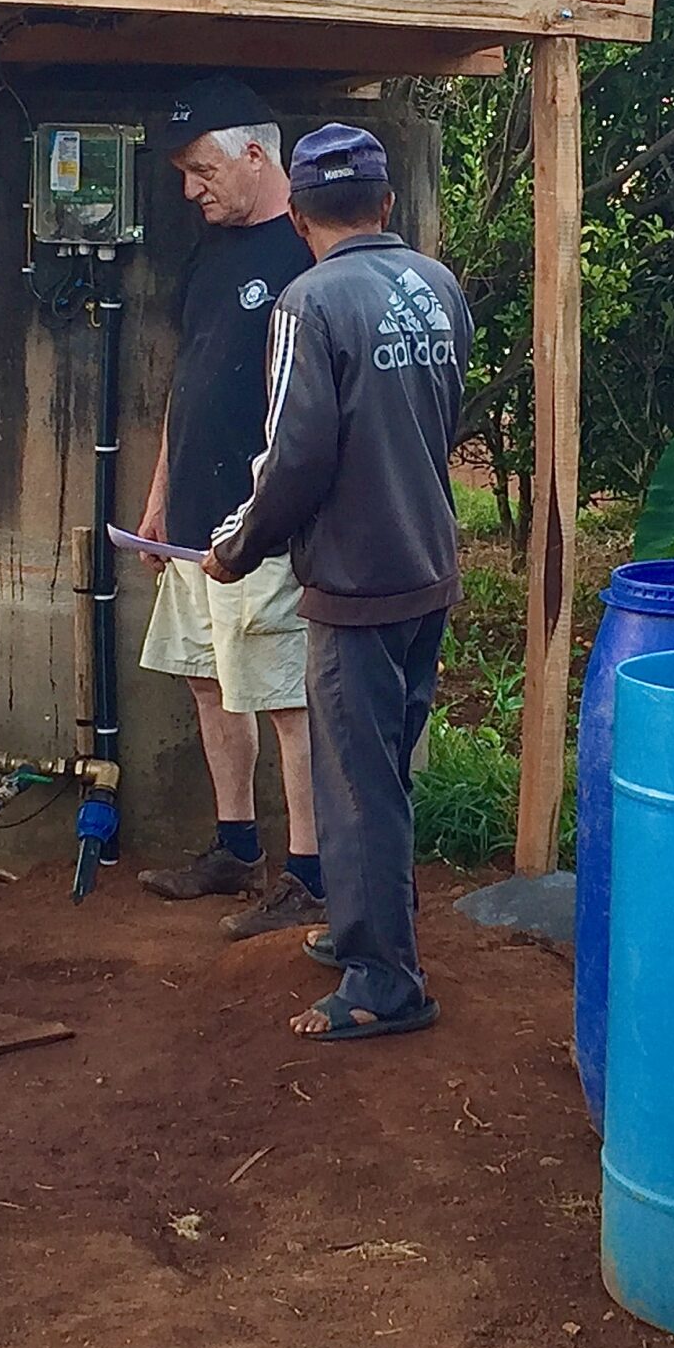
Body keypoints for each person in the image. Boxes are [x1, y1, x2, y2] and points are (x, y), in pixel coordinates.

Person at [206, 123, 472, 1041]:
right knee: (382, 773)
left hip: (355, 581)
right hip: (427, 566)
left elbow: (295, 455)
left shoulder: (308, 302)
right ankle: (369, 931)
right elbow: (439, 419)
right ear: (386, 204)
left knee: (355, 783)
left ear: (300, 218)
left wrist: (238, 546)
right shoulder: (438, 286)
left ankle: (383, 982)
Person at [133, 77, 328, 940]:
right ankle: (236, 845)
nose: (189, 190)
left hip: (264, 526)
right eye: (183, 172)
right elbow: (190, 382)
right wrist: (159, 497)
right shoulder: (209, 253)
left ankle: (309, 874)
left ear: (256, 154)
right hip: (193, 521)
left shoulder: (306, 253)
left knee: (285, 696)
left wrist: (271, 513)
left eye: (201, 170)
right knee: (207, 681)